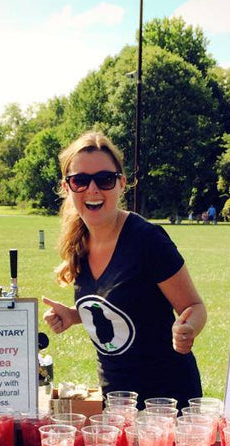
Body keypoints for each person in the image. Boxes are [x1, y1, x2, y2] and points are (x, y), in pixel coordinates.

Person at [42, 131, 207, 408]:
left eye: (104, 179)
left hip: (167, 402)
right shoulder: (78, 241)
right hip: (117, 400)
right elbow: (121, 308)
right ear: (67, 187)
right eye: (80, 181)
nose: (93, 189)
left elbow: (195, 306)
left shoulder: (147, 240)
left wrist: (188, 329)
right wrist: (73, 316)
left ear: (121, 183)